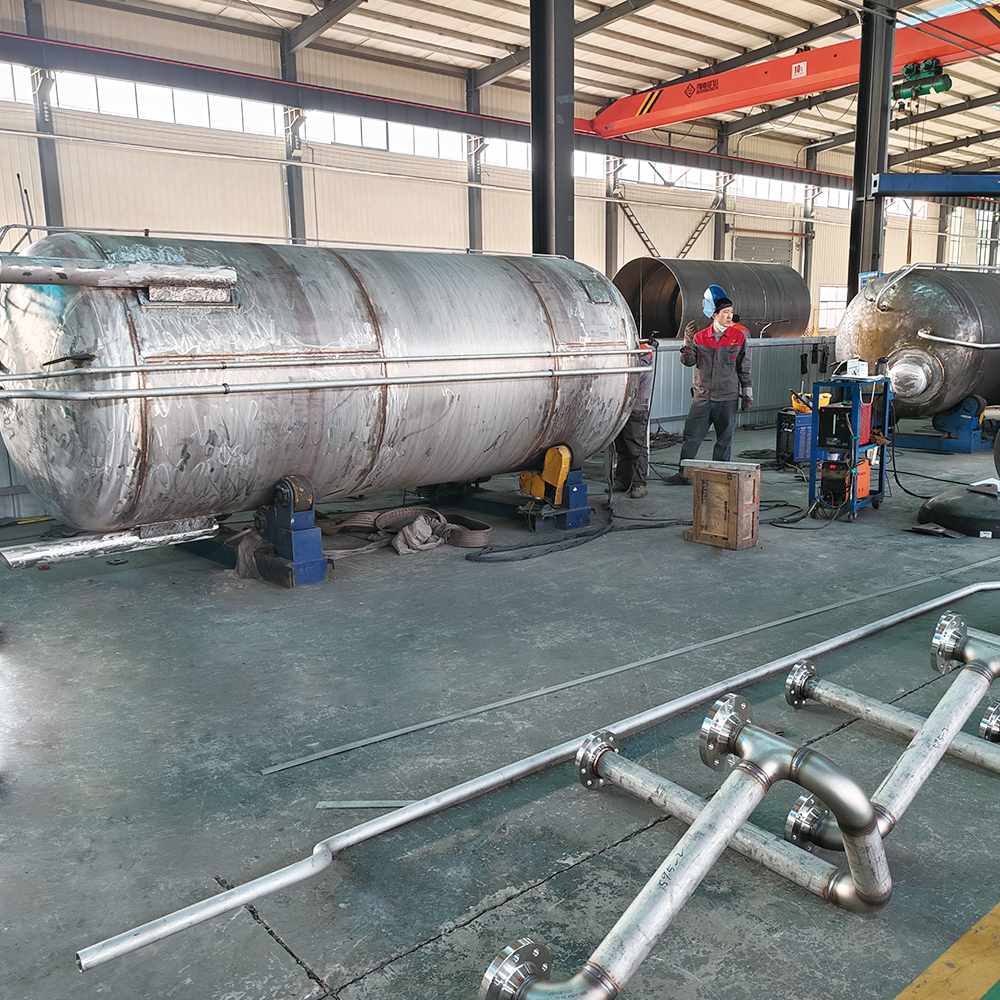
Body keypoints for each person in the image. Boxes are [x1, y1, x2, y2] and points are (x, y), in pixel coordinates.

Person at [665, 297, 752, 485]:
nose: (730, 316)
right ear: (714, 315)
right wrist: (688, 342)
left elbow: (744, 367)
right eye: (725, 313)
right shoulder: (700, 337)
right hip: (702, 397)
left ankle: (719, 477)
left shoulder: (738, 337)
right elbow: (688, 362)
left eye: (731, 312)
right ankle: (685, 475)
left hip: (727, 398)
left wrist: (747, 391)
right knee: (691, 437)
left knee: (724, 440)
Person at [613, 339, 655, 499]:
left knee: (636, 447)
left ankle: (639, 484)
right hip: (622, 407)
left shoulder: (642, 354)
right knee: (622, 447)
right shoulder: (630, 352)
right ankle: (623, 480)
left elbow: (631, 378)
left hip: (637, 408)